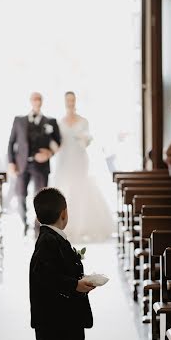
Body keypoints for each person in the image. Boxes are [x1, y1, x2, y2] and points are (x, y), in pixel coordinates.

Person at [30, 188, 95, 340]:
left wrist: (78, 280)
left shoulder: (52, 238)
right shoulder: (48, 240)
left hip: (60, 317)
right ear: (65, 213)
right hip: (58, 318)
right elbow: (45, 276)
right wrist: (75, 284)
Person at [52, 91, 114, 243]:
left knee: (81, 189)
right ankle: (63, 226)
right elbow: (56, 143)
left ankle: (82, 225)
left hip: (79, 159)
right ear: (64, 101)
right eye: (68, 100)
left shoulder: (84, 121)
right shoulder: (59, 122)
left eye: (72, 100)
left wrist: (85, 140)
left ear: (75, 101)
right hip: (64, 160)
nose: (70, 103)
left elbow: (87, 140)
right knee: (65, 190)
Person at [8, 92, 61, 234]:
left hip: (41, 166)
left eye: (39, 99)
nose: (37, 102)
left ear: (42, 101)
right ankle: (23, 222)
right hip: (22, 165)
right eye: (34, 99)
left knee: (41, 198)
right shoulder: (19, 120)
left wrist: (49, 153)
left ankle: (38, 226)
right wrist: (11, 163)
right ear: (30, 101)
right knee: (20, 195)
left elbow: (58, 142)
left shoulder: (50, 121)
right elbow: (11, 143)